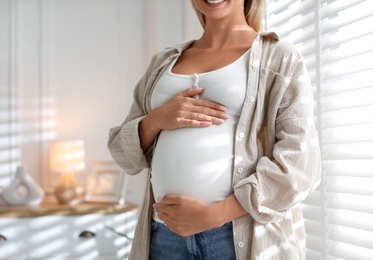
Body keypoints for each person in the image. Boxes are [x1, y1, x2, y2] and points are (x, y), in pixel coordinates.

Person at [108, 0, 322, 259]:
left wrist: (215, 215)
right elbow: (122, 153)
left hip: (232, 238)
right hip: (163, 236)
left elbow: (300, 165)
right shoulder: (162, 63)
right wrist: (156, 120)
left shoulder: (280, 58)